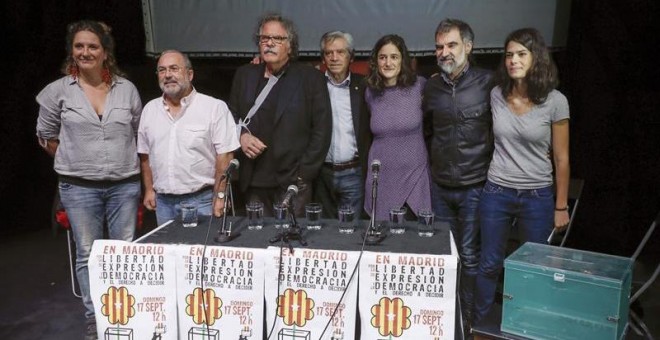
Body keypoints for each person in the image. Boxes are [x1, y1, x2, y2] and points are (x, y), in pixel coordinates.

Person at [35, 20, 142, 340]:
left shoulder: (127, 89)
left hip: (124, 184)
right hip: (78, 188)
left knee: (124, 252)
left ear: (105, 52)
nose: (85, 52)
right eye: (79, 46)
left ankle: (124, 312)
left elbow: (138, 133)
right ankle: (95, 317)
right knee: (87, 254)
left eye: (92, 46)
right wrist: (76, 160)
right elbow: (46, 136)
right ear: (72, 51)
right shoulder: (57, 91)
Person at [474, 28, 570, 323]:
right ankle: (479, 326)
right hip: (497, 191)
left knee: (534, 268)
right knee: (489, 264)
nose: (513, 60)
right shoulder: (496, 95)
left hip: (537, 195)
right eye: (509, 55)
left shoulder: (555, 101)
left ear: (536, 58)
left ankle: (527, 325)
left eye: (521, 54)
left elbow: (562, 157)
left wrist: (561, 205)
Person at [422, 19, 494, 331]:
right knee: (444, 256)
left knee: (469, 256)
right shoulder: (432, 87)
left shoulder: (488, 83)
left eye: (451, 45)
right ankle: (444, 322)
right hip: (440, 186)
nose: (444, 52)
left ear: (468, 46)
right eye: (439, 46)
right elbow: (428, 132)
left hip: (474, 186)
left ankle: (469, 325)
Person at [229, 13, 332, 217]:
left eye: (277, 39)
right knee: (258, 241)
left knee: (291, 242)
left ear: (290, 46)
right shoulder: (244, 75)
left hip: (293, 182)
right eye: (265, 38)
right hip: (253, 181)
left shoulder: (310, 78)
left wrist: (304, 174)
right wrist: (241, 136)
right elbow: (229, 115)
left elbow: (322, 130)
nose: (270, 43)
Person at [138, 50, 240, 225]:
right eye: (162, 70)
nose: (168, 75)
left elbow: (225, 157)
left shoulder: (214, 107)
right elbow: (145, 155)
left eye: (174, 68)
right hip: (163, 203)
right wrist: (148, 189)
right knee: (168, 252)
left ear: (190, 74)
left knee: (201, 252)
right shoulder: (150, 109)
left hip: (202, 201)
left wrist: (220, 195)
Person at [363, 34, 431, 221]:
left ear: (403, 60)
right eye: (383, 57)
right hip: (382, 177)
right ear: (376, 61)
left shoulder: (420, 86)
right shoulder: (369, 92)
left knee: (415, 241)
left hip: (415, 175)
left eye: (394, 57)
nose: (388, 62)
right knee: (384, 242)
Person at [314, 31, 371, 218]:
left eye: (340, 52)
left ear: (351, 57)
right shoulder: (314, 86)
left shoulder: (363, 86)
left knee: (351, 234)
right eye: (329, 53)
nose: (334, 57)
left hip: (353, 172)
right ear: (323, 58)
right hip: (322, 174)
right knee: (323, 235)